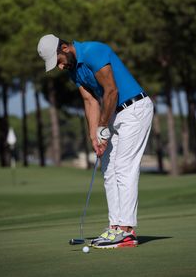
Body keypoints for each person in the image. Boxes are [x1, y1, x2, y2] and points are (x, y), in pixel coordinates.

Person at [37, 34, 154, 249]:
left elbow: (111, 90)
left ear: (65, 48)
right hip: (114, 114)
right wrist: (94, 135)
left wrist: (101, 126)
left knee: (124, 167)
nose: (60, 68)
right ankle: (115, 227)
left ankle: (127, 232)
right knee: (108, 169)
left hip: (134, 109)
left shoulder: (93, 51)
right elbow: (90, 100)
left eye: (59, 61)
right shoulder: (74, 70)